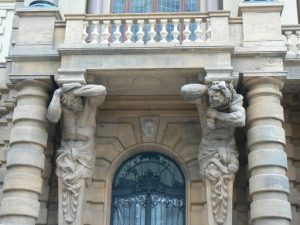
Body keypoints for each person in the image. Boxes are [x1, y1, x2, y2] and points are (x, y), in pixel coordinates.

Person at [47, 83, 106, 224]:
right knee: (67, 199)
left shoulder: (89, 104)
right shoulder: (64, 110)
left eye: (74, 100)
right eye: (67, 103)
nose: (72, 104)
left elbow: (101, 90)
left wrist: (75, 90)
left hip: (83, 157)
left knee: (77, 196)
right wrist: (57, 94)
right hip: (66, 157)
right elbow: (52, 118)